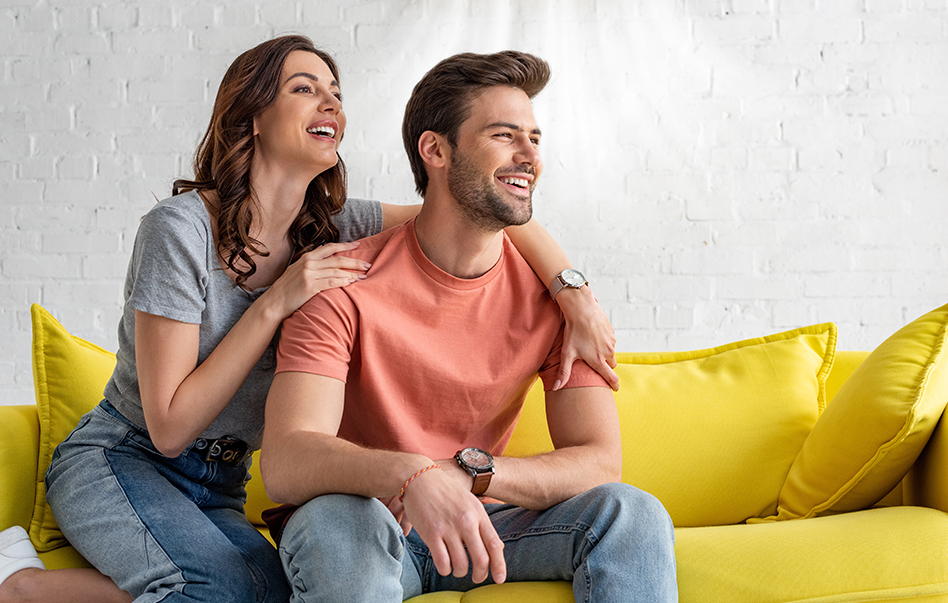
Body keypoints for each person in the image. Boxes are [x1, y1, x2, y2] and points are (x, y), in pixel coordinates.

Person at [0, 37, 618, 603]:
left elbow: (481, 199)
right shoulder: (180, 230)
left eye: (336, 92)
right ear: (253, 118)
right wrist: (275, 302)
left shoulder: (333, 225)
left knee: (273, 598)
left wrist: (574, 293)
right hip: (124, 459)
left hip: (224, 478)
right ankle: (23, 587)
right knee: (212, 593)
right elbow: (168, 426)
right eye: (304, 88)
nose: (331, 103)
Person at [260, 50, 678, 602]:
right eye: (505, 135)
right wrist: (412, 476)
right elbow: (287, 460)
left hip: (486, 525)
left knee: (633, 513)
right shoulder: (343, 284)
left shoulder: (558, 306)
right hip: (369, 522)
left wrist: (467, 475)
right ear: (435, 150)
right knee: (337, 528)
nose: (529, 155)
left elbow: (600, 461)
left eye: (534, 138)